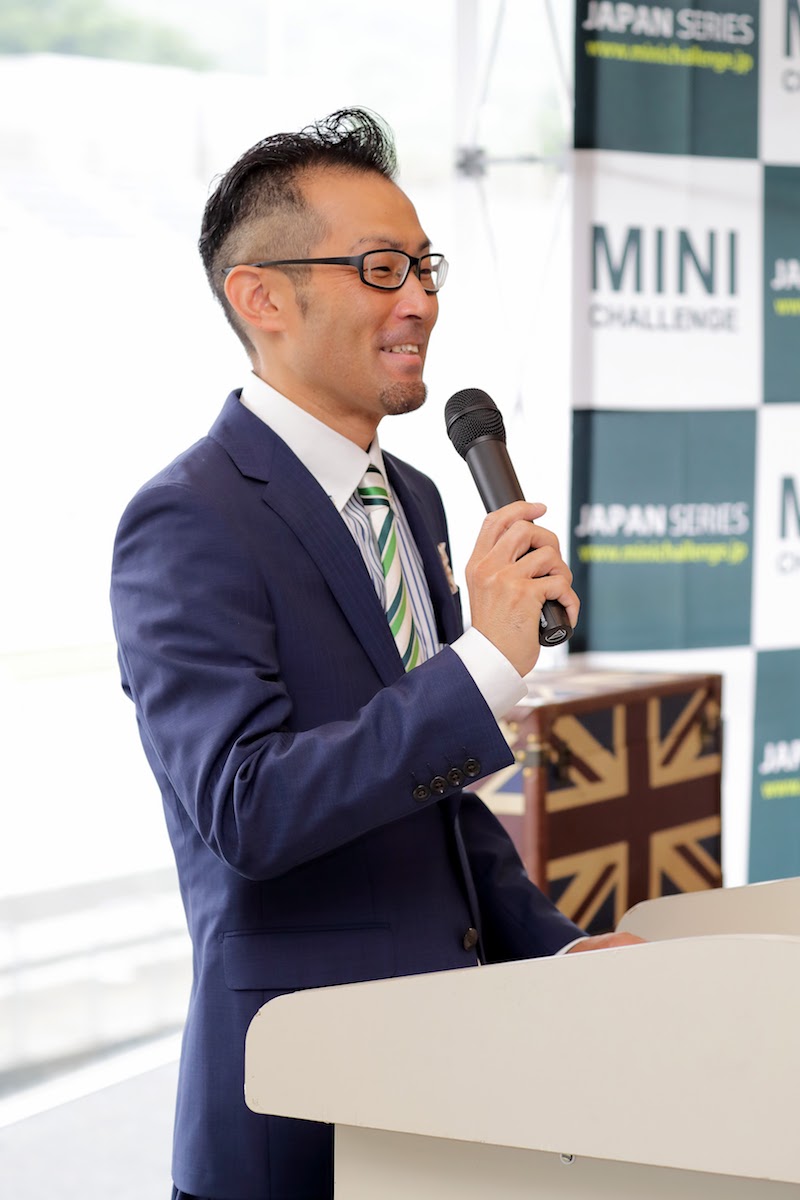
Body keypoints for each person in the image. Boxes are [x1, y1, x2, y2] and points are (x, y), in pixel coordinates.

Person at [110, 108, 641, 1200]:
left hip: (445, 1089)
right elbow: (248, 810)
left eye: (424, 267)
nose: (420, 302)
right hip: (299, 1101)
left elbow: (430, 802)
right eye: (380, 268)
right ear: (261, 298)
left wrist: (554, 948)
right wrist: (482, 666)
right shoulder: (188, 518)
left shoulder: (415, 496)